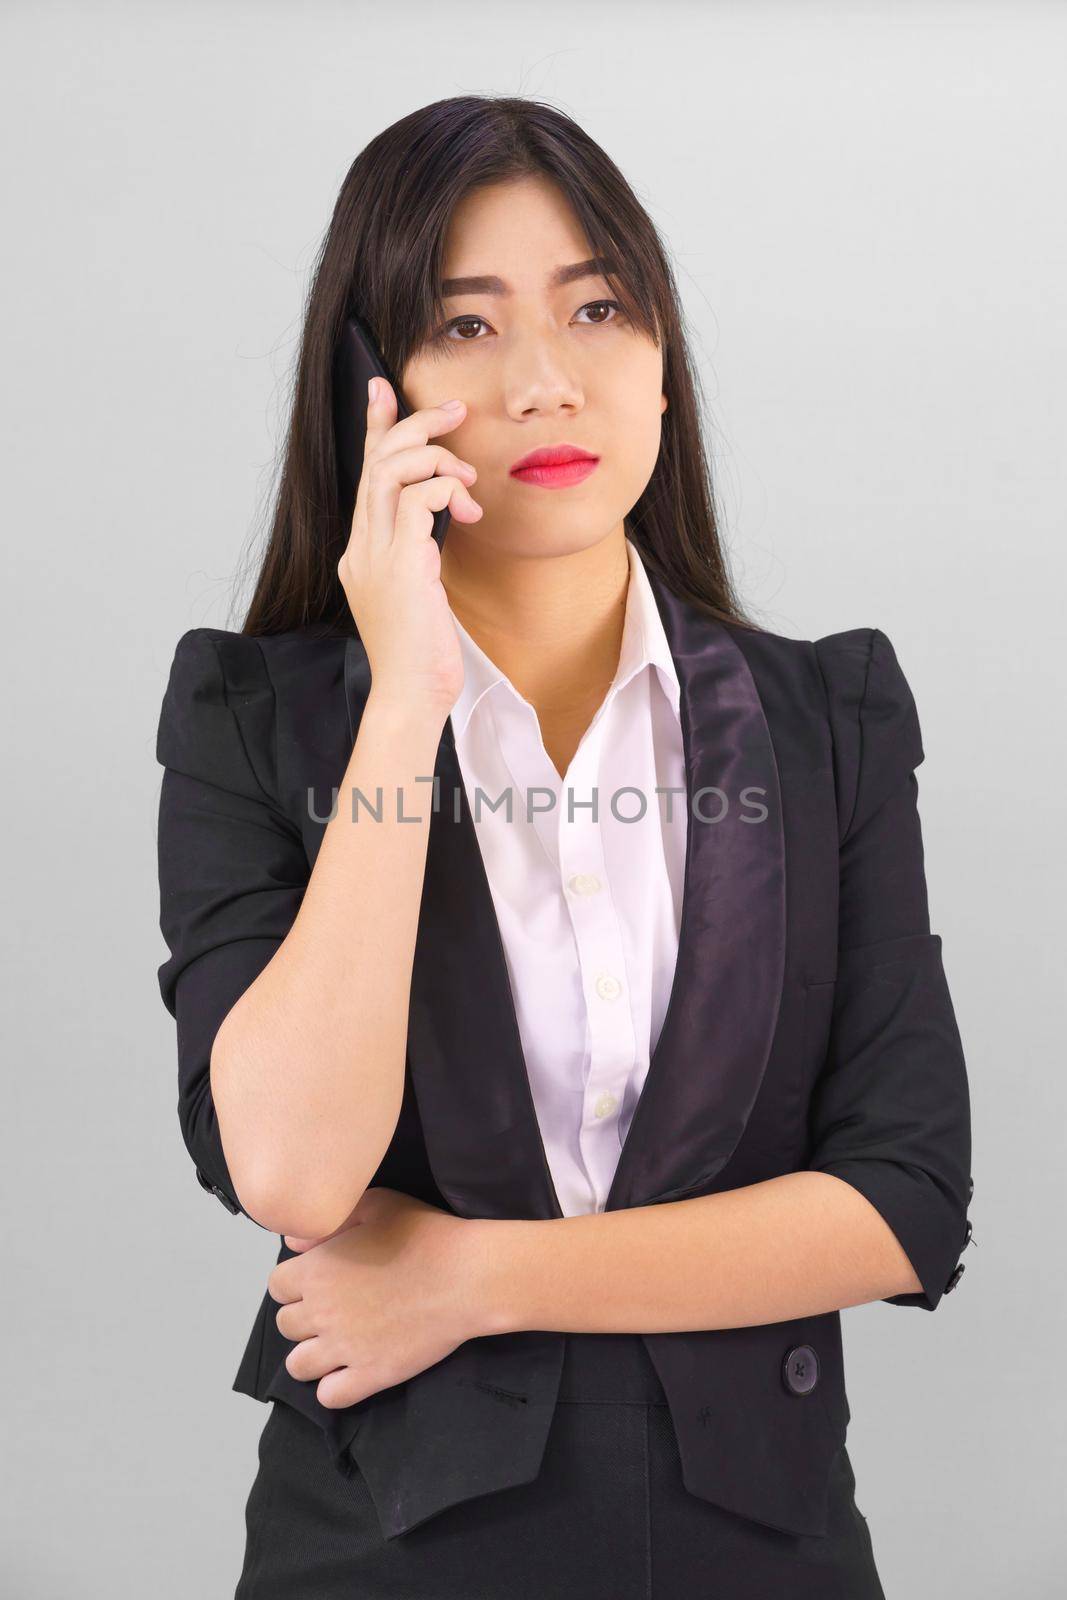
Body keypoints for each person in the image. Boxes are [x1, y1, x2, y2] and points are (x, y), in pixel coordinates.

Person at [154, 95, 974, 1599]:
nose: (546, 382)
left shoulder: (824, 718)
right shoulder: (253, 718)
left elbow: (905, 1203)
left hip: (764, 1555)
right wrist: (406, 700)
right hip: (391, 1556)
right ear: (374, 390)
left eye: (598, 307)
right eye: (464, 329)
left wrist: (472, 1280)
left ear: (664, 360)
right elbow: (294, 1170)